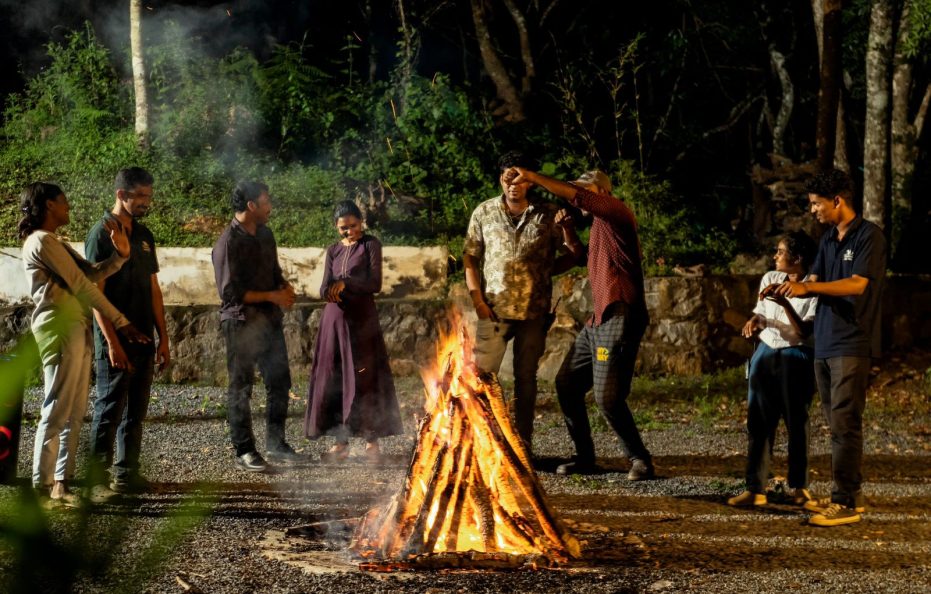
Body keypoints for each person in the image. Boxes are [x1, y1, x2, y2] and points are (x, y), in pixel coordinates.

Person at [508, 167, 656, 480]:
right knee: (567, 383)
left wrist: (533, 178)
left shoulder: (616, 213)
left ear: (601, 193)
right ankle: (585, 457)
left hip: (620, 314)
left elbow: (577, 195)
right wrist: (568, 232)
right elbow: (581, 257)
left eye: (586, 192)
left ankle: (639, 459)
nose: (579, 199)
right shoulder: (601, 227)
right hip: (598, 319)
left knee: (607, 397)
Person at [18, 182, 149, 507]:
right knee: (56, 407)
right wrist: (121, 322)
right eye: (63, 202)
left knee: (74, 410)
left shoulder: (54, 242)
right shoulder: (41, 241)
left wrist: (120, 256)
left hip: (74, 326)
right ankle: (42, 486)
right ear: (48, 206)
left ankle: (61, 485)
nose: (68, 207)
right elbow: (81, 285)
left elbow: (90, 273)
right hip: (58, 327)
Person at [774, 168, 886, 527]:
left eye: (816, 204)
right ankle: (851, 492)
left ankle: (845, 502)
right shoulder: (826, 240)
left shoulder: (870, 236)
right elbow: (816, 280)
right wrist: (792, 284)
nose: (812, 210)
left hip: (851, 342)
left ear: (837, 201)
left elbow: (856, 284)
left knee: (845, 422)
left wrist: (810, 289)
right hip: (824, 341)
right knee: (834, 422)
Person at [462, 151, 583, 448]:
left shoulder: (548, 213)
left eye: (520, 178)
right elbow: (469, 258)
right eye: (507, 177)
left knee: (525, 380)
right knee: (483, 379)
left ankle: (522, 442)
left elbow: (575, 256)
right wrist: (478, 301)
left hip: (534, 312)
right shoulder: (484, 212)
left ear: (529, 182)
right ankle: (485, 442)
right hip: (494, 311)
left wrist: (546, 270)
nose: (513, 185)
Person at [85, 168, 169, 501]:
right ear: (122, 194)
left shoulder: (145, 234)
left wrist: (164, 337)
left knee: (136, 409)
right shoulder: (101, 234)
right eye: (141, 196)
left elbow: (154, 288)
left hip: (144, 337)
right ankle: (95, 480)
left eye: (149, 195)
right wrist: (111, 342)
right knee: (109, 408)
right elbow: (94, 292)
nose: (147, 202)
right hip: (116, 337)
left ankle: (126, 474)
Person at [212, 181, 301, 472]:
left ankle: (276, 444)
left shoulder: (265, 234)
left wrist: (283, 287)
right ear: (251, 206)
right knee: (241, 387)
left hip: (269, 320)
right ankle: (244, 450)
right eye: (266, 201)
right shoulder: (228, 242)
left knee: (279, 381)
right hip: (241, 323)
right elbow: (230, 293)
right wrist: (273, 296)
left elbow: (274, 271)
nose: (270, 205)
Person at [303, 200, 403, 461]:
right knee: (336, 377)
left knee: (364, 376)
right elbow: (324, 287)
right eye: (343, 228)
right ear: (336, 228)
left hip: (361, 321)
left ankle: (372, 441)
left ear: (361, 222)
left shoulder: (370, 245)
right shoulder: (333, 251)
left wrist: (345, 283)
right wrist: (331, 290)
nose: (349, 232)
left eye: (353, 225)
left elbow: (375, 283)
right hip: (334, 322)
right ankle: (341, 442)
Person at [728, 231, 818, 508]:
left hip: (797, 353)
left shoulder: (814, 288)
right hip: (766, 350)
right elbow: (762, 312)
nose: (775, 256)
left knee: (796, 422)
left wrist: (785, 303)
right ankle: (755, 488)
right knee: (758, 421)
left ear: (798, 258)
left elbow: (804, 329)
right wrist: (753, 321)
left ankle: (800, 488)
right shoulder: (771, 278)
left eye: (780, 251)